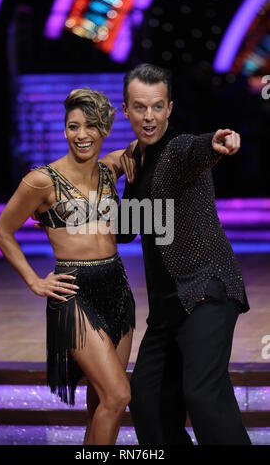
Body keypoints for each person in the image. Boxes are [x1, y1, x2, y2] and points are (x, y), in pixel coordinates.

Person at [117, 63, 252, 445]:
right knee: (147, 400)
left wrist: (216, 141)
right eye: (140, 107)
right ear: (126, 109)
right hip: (166, 309)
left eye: (157, 107)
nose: (149, 117)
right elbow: (126, 230)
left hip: (207, 290)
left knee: (203, 395)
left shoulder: (177, 150)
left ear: (170, 108)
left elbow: (196, 150)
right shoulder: (138, 164)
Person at [0, 87, 135, 445]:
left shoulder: (110, 169)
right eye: (73, 126)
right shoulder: (42, 180)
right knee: (118, 396)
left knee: (103, 399)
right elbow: (2, 231)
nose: (81, 135)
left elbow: (146, 144)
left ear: (104, 128)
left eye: (90, 126)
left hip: (116, 287)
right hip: (73, 294)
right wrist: (35, 282)